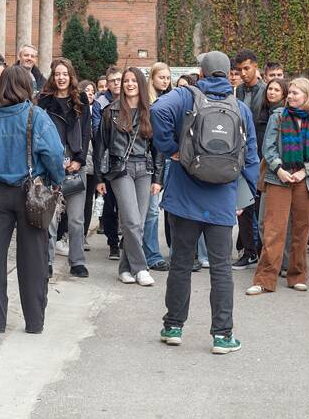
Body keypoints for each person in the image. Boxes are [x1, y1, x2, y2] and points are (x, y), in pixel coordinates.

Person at [152, 51, 258, 354]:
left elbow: (157, 110)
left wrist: (171, 148)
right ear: (229, 74)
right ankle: (223, 336)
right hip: (223, 199)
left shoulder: (186, 97)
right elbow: (250, 157)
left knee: (181, 264)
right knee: (222, 269)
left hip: (185, 197)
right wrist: (243, 197)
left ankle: (173, 326)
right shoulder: (239, 108)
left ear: (201, 71)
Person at [0, 66, 65, 334]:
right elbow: (53, 153)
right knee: (34, 259)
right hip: (30, 192)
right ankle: (34, 322)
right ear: (27, 87)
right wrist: (54, 179)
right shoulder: (35, 116)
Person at [247, 77, 309, 295]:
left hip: (306, 180)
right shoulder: (278, 117)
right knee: (274, 230)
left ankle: (297, 276)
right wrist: (280, 170)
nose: (290, 96)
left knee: (301, 230)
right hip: (279, 178)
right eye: (290, 92)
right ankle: (264, 279)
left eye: (295, 93)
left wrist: (305, 171)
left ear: (307, 96)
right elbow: (269, 147)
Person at [94, 68, 165, 286]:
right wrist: (98, 178)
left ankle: (125, 268)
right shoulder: (111, 111)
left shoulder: (150, 112)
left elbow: (158, 148)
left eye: (134, 80)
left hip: (145, 168)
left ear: (141, 84)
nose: (130, 84)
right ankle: (141, 268)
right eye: (126, 80)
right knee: (132, 221)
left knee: (139, 224)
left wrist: (158, 179)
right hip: (120, 169)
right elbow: (100, 146)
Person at [38, 59, 92, 278]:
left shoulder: (81, 100)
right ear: (52, 76)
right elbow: (39, 133)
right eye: (57, 74)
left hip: (75, 163)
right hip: (51, 165)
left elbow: (87, 132)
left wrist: (79, 159)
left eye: (65, 74)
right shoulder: (43, 101)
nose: (61, 78)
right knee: (49, 219)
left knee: (76, 219)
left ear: (71, 77)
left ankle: (77, 261)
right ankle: (47, 261)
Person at [232, 50, 266, 271]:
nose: (243, 73)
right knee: (243, 206)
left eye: (247, 68)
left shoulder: (266, 91)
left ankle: (261, 250)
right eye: (239, 70)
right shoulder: (237, 92)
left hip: (262, 156)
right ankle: (248, 250)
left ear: (255, 67)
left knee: (261, 208)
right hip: (241, 155)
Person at [143, 62, 173, 272]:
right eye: (161, 77)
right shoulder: (148, 104)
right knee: (151, 211)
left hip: (171, 159)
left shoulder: (170, 100)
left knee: (165, 210)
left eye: (167, 77)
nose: (165, 81)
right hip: (152, 162)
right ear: (152, 78)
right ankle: (151, 254)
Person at [92, 66, 123, 259]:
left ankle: (126, 241)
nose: (117, 84)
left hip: (127, 159)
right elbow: (97, 132)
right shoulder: (100, 103)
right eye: (113, 81)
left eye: (119, 79)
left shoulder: (132, 99)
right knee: (110, 205)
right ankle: (113, 242)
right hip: (107, 159)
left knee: (127, 207)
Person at [78, 79, 99, 252]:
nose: (90, 93)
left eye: (92, 90)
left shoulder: (98, 110)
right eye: (86, 90)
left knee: (88, 201)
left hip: (94, 164)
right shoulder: (79, 109)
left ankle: (83, 235)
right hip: (82, 161)